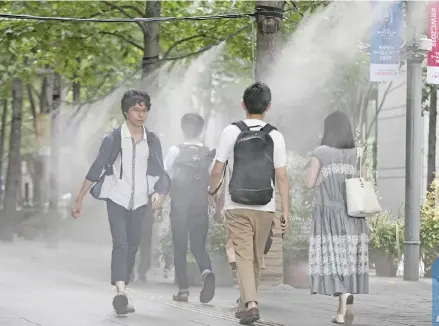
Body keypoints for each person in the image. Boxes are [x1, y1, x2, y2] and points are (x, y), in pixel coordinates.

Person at [71, 90, 170, 315]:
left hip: (141, 202)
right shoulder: (113, 138)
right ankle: (120, 292)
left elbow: (161, 173)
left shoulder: (152, 140)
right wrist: (79, 199)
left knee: (132, 246)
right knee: (121, 244)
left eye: (144, 110)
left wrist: (160, 195)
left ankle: (123, 289)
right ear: (126, 111)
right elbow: (96, 168)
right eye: (136, 109)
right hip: (117, 198)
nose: (141, 114)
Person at [209, 82, 289, 325]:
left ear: (243, 105)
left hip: (237, 203)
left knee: (244, 256)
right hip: (265, 205)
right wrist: (286, 210)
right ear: (268, 106)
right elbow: (282, 176)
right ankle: (246, 305)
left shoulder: (231, 131)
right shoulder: (275, 135)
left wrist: (213, 192)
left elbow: (217, 169)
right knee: (254, 257)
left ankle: (251, 304)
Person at [306, 111, 369, 325]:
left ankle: (341, 302)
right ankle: (343, 305)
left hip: (329, 214)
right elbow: (363, 181)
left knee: (333, 260)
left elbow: (309, 183)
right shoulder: (357, 153)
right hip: (353, 215)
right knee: (348, 260)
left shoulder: (320, 152)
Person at [164, 113, 216, 303]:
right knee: (198, 245)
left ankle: (183, 291)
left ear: (182, 129)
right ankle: (206, 271)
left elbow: (166, 177)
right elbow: (214, 180)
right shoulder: (209, 153)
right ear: (201, 130)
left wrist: (159, 200)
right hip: (200, 204)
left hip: (179, 205)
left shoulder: (175, 151)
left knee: (180, 247)